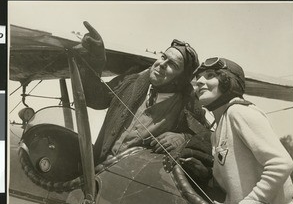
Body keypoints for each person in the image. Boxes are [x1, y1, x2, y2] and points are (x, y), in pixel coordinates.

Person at [78, 21, 207, 165]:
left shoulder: (187, 103)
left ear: (181, 78)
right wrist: (96, 58)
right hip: (97, 170)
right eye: (164, 57)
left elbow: (205, 136)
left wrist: (183, 138)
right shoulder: (133, 81)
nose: (162, 65)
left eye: (173, 64)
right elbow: (94, 98)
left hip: (135, 182)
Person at [192, 57, 293, 204]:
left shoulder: (239, 112)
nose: (200, 82)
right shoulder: (219, 127)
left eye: (210, 75)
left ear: (228, 82)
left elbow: (282, 163)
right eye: (199, 78)